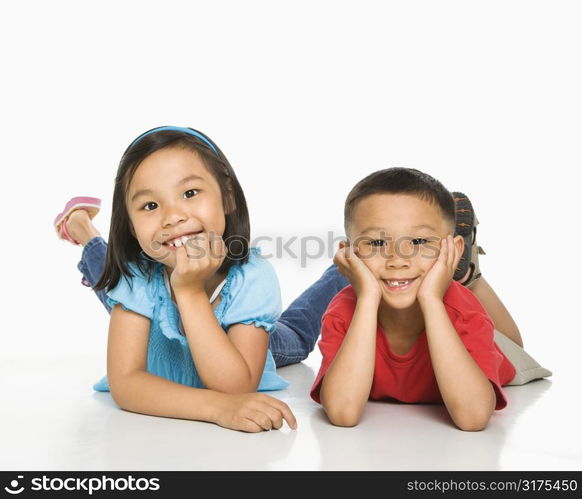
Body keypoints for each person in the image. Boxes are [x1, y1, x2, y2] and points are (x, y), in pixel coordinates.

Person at [55, 126, 299, 433]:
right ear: (130, 226)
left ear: (227, 197)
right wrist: (215, 408)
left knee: (297, 335)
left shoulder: (252, 276)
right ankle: (81, 226)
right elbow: (126, 382)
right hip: (154, 308)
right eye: (150, 206)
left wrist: (190, 292)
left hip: (250, 345)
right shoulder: (136, 277)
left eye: (190, 193)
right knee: (111, 276)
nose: (172, 217)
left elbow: (236, 387)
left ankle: (342, 270)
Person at [309, 168, 520, 431]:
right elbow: (343, 412)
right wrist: (367, 299)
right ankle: (454, 271)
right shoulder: (344, 311)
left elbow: (473, 418)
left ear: (452, 249)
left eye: (419, 241)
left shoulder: (465, 312)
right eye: (375, 243)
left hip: (492, 347)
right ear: (348, 255)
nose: (398, 260)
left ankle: (467, 275)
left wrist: (432, 299)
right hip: (397, 285)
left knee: (514, 348)